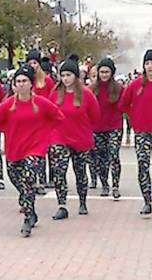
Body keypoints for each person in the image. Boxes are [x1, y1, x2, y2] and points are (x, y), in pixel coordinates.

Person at [0, 65, 65, 237]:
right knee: (18, 180)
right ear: (14, 85)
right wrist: (6, 129)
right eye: (18, 81)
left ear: (31, 84)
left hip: (35, 149)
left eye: (24, 81)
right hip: (14, 149)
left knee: (29, 179)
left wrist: (46, 133)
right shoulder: (8, 104)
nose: (21, 84)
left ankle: (28, 217)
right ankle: (28, 203)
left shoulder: (41, 103)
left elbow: (58, 117)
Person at [48, 58, 100, 220]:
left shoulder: (86, 94)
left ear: (76, 76)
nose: (65, 78)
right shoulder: (55, 94)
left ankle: (82, 202)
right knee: (59, 171)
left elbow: (95, 116)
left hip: (80, 139)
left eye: (69, 75)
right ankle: (62, 204)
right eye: (63, 75)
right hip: (59, 138)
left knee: (80, 172)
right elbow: (48, 115)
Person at [119, 49, 152, 215]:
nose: (150, 66)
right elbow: (123, 105)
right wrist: (134, 118)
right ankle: (146, 201)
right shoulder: (136, 85)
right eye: (147, 63)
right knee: (143, 165)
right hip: (142, 132)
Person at [90, 57, 124, 199]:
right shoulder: (92, 90)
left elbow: (126, 106)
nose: (104, 75)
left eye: (107, 72)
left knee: (114, 156)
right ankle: (104, 184)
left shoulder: (119, 89)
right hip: (97, 128)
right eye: (102, 72)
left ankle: (115, 185)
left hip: (114, 127)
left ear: (112, 73)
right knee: (100, 158)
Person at [26, 49, 56, 193]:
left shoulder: (46, 81)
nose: (32, 66)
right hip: (29, 122)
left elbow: (52, 100)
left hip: (44, 121)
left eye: (35, 63)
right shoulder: (25, 80)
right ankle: (34, 180)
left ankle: (44, 180)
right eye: (30, 63)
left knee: (44, 152)